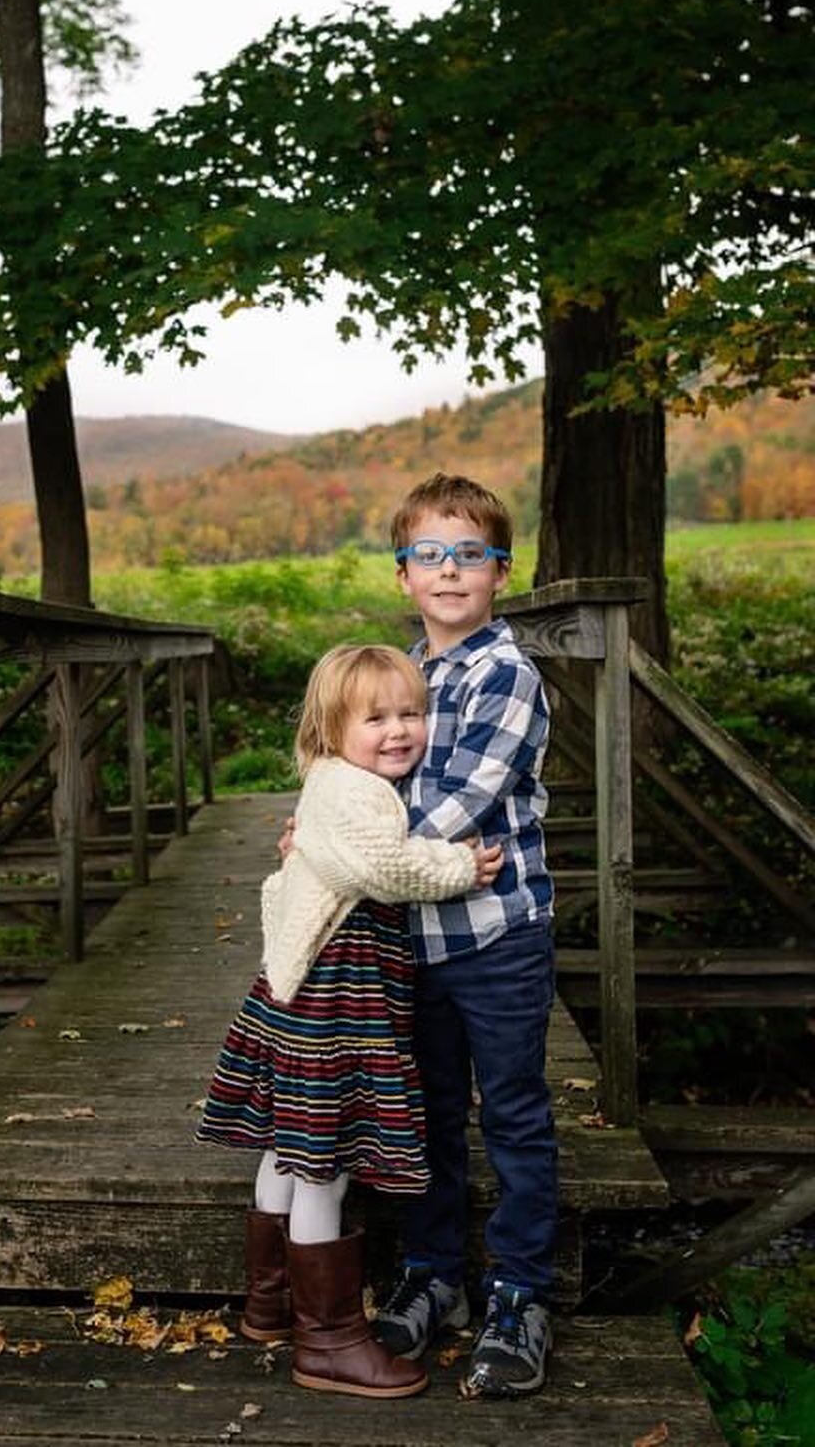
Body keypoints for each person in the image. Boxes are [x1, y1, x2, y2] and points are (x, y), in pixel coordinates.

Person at [196, 643, 501, 1401]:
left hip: (302, 987)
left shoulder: (328, 786)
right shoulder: (354, 793)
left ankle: (270, 1305)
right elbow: (385, 869)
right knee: (322, 1160)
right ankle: (327, 1342)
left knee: (287, 1145)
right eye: (377, 718)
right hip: (335, 996)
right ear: (332, 729)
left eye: (412, 714)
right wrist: (461, 866)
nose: (399, 731)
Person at [371, 472, 556, 1400]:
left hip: (496, 934)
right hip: (415, 936)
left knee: (514, 1112)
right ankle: (434, 1271)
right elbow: (362, 773)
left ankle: (520, 1291)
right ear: (403, 574)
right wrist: (326, 823)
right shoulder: (402, 676)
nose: (450, 571)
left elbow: (461, 804)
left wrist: (348, 852)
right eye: (430, 555)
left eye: (469, 555)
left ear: (500, 571)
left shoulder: (506, 674)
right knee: (431, 1110)